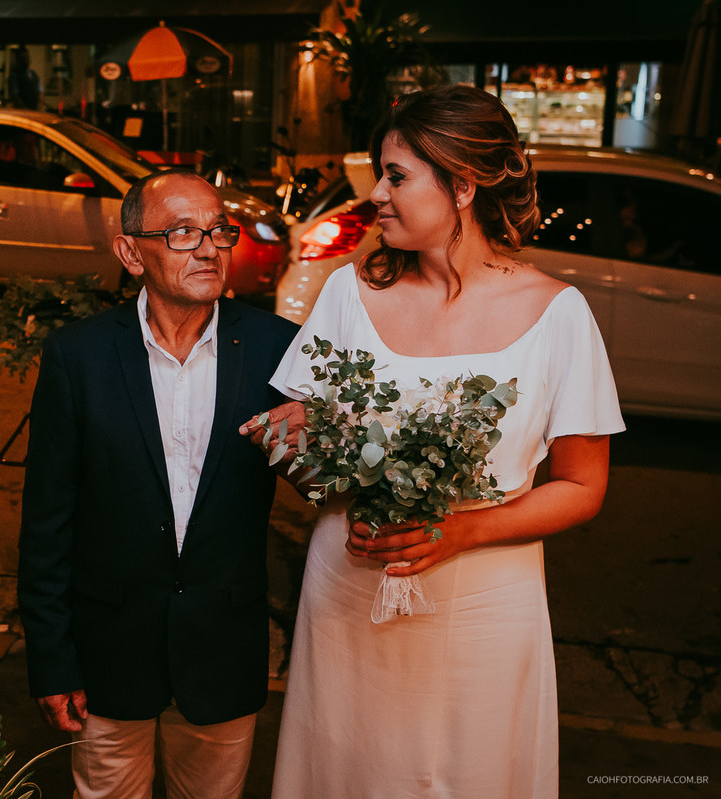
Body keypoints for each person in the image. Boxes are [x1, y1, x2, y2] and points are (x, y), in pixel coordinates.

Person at [256, 85, 625, 796]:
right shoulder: (347, 295)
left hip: (482, 606)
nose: (377, 196)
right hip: (348, 592)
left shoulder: (557, 314)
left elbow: (583, 485)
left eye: (396, 177)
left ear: (462, 185)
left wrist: (461, 530)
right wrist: (293, 448)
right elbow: (308, 471)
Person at [18, 170, 299, 799]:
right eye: (182, 233)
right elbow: (47, 522)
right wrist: (52, 658)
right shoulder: (78, 355)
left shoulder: (277, 348)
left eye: (219, 231)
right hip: (108, 654)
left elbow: (315, 487)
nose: (209, 249)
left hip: (222, 653)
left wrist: (328, 434)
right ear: (130, 252)